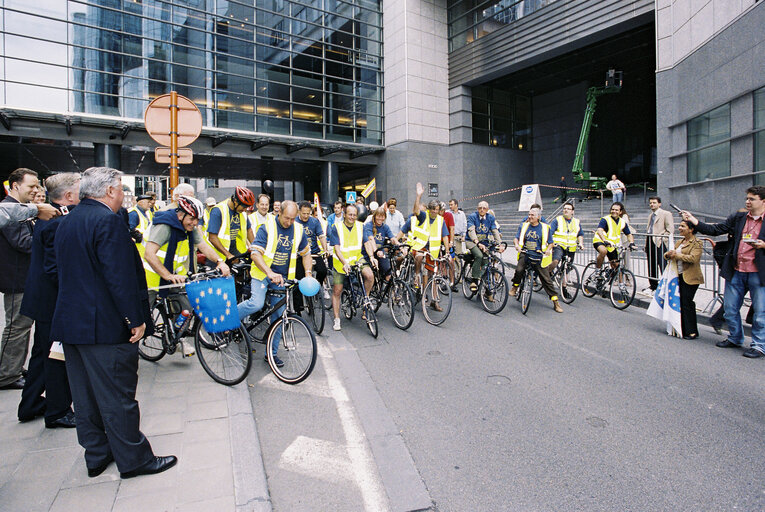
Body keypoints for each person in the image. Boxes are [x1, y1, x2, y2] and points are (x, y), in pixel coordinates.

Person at [50, 167, 176, 479]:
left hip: (72, 324)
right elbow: (118, 277)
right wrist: (134, 319)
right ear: (109, 191)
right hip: (104, 326)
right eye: (121, 189)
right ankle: (134, 459)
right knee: (118, 396)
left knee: (85, 397)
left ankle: (96, 454)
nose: (123, 195)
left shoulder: (67, 221)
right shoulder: (107, 221)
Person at [17, 173, 80, 427]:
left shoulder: (52, 216)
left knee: (42, 353)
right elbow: (55, 269)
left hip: (42, 298)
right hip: (52, 301)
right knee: (57, 357)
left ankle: (30, 403)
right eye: (78, 189)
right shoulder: (56, 221)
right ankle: (58, 411)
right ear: (67, 195)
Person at [682, 186, 765, 358]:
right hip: (736, 270)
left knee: (760, 312)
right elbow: (716, 229)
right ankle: (735, 338)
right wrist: (694, 221)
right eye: (747, 199)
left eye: (752, 199)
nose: (747, 202)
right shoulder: (739, 217)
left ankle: (758, 345)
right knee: (729, 308)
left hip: (758, 273)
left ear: (763, 200)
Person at [143, 196, 231, 356]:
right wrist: (168, 275)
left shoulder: (189, 229)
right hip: (151, 278)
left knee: (186, 308)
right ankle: (129, 351)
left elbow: (203, 246)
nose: (195, 223)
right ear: (180, 214)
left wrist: (219, 261)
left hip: (174, 278)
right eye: (191, 218)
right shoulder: (164, 227)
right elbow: (149, 254)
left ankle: (175, 337)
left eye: (197, 219)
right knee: (141, 319)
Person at [238, 201, 311, 365]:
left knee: (280, 316)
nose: (289, 222)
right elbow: (255, 254)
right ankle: (229, 320)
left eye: (293, 219)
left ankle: (271, 353)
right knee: (255, 304)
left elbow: (306, 253)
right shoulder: (267, 227)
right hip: (262, 274)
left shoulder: (298, 230)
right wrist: (269, 272)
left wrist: (307, 274)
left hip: (282, 278)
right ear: (279, 213)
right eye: (287, 218)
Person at [0, 168, 39, 390]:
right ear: (16, 186)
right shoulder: (10, 210)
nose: (35, 190)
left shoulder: (20, 210)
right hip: (17, 279)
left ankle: (13, 368)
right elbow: (24, 243)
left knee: (21, 326)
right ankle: (7, 374)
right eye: (31, 186)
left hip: (22, 277)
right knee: (17, 327)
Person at [394, 183, 450, 298]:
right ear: (428, 210)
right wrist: (418, 196)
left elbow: (445, 236)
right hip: (417, 247)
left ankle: (431, 298)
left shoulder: (440, 220)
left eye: (437, 209)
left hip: (432, 251)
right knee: (417, 257)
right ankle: (416, 276)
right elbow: (403, 231)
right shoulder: (421, 217)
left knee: (431, 274)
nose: (434, 211)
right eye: (432, 209)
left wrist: (447, 252)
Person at [509, 207, 563, 312]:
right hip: (525, 253)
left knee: (546, 279)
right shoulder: (523, 226)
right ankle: (515, 287)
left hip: (539, 256)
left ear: (538, 217)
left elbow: (551, 243)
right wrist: (516, 245)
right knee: (519, 269)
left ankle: (555, 302)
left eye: (532, 215)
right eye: (529, 215)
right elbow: (516, 238)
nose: (530, 217)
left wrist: (548, 250)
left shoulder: (545, 228)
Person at [329, 203, 372, 330]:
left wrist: (372, 257)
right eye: (350, 214)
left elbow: (366, 242)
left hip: (356, 258)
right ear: (344, 214)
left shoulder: (360, 226)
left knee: (370, 276)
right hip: (340, 263)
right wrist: (344, 263)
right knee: (337, 290)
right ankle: (337, 319)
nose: (352, 217)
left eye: (354, 215)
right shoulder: (336, 227)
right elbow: (336, 249)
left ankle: (366, 301)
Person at [664, 220, 703, 339]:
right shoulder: (679, 242)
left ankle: (692, 331)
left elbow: (693, 259)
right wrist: (668, 255)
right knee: (680, 301)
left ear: (691, 229)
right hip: (678, 275)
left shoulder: (697, 242)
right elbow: (669, 254)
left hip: (691, 277)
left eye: (683, 226)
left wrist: (677, 255)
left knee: (687, 302)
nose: (680, 228)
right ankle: (681, 327)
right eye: (679, 226)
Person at [294, 200, 329, 311]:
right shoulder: (294, 222)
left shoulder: (315, 222)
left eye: (308, 213)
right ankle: (298, 309)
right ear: (299, 212)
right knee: (298, 279)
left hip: (314, 252)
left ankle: (316, 288)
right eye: (303, 213)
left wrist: (325, 249)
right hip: (299, 254)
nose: (306, 216)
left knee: (323, 270)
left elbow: (321, 236)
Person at [207, 186, 255, 261]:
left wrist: (256, 248)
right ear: (235, 201)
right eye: (244, 206)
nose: (245, 210)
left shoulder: (242, 213)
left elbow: (249, 230)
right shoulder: (218, 211)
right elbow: (212, 238)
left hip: (233, 249)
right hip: (216, 253)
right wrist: (228, 255)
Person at [466, 200, 502, 292]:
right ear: (477, 209)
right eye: (480, 208)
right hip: (472, 241)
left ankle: (483, 285)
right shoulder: (472, 217)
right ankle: (474, 280)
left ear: (487, 209)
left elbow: (494, 230)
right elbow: (471, 230)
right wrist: (477, 242)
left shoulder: (490, 218)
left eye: (484, 208)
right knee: (479, 255)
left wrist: (499, 243)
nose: (482, 210)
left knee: (486, 260)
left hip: (484, 242)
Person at [592, 202, 635, 272]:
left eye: (616, 210)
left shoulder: (622, 222)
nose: (614, 211)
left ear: (620, 212)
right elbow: (599, 230)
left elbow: (629, 234)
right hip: (600, 240)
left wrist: (632, 243)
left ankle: (620, 282)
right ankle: (597, 270)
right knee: (603, 251)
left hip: (611, 245)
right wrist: (605, 240)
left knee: (616, 266)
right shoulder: (605, 219)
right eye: (612, 209)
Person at [644, 197, 674, 294]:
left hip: (659, 241)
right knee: (651, 264)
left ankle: (666, 286)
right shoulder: (650, 215)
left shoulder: (666, 214)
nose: (652, 204)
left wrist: (662, 238)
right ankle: (653, 285)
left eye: (654, 203)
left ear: (659, 204)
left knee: (662, 264)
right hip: (650, 241)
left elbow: (670, 230)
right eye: (650, 203)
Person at [363, 207, 399, 285]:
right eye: (378, 216)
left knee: (388, 272)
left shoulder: (385, 227)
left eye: (382, 216)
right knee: (370, 276)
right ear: (375, 216)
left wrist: (400, 246)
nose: (380, 218)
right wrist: (376, 251)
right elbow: (371, 239)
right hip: (369, 252)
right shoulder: (369, 225)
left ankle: (388, 293)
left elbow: (392, 238)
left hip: (381, 252)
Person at [549, 201, 584, 271]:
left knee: (568, 267)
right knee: (555, 261)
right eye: (564, 208)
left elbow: (580, 234)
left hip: (571, 247)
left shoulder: (576, 222)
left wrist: (581, 243)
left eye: (568, 209)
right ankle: (546, 276)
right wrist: (550, 243)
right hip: (559, 245)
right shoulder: (557, 220)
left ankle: (563, 280)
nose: (566, 210)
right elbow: (550, 232)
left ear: (572, 212)